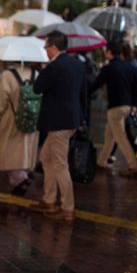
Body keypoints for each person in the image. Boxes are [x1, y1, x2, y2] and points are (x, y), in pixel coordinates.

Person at [30, 31, 86, 221]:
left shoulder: (55, 66)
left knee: (60, 164)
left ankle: (67, 207)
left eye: (46, 47)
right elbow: (83, 93)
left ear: (53, 47)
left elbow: (38, 87)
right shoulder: (77, 64)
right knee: (46, 157)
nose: (45, 51)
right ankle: (49, 198)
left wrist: (45, 68)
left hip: (58, 122)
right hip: (71, 119)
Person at [90, 43, 137, 175]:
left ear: (109, 53)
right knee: (110, 135)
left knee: (120, 137)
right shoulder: (131, 67)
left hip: (115, 107)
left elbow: (96, 84)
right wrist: (134, 105)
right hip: (127, 106)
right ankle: (101, 161)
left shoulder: (109, 68)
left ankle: (133, 165)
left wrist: (84, 93)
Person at [0, 61, 40, 194]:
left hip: (11, 117)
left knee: (11, 148)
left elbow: (2, 101)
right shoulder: (36, 74)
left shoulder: (8, 75)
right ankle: (25, 172)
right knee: (26, 147)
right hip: (31, 117)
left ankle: (19, 178)